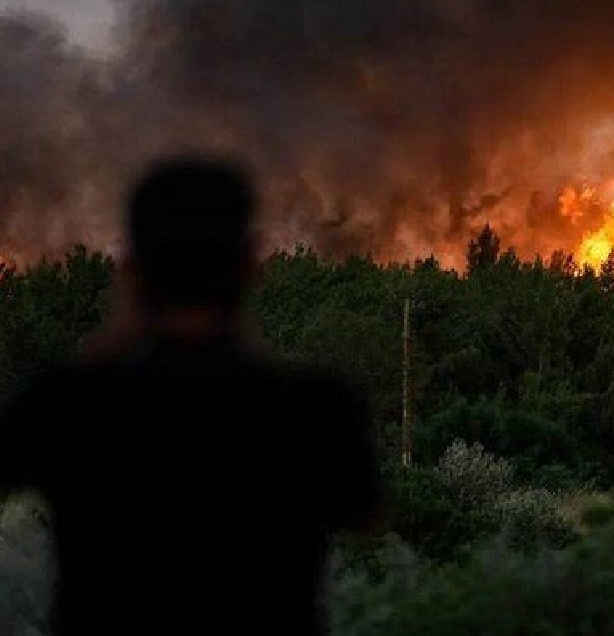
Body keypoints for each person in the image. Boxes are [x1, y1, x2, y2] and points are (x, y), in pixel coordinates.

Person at [0, 157, 379, 636]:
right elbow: (365, 512)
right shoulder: (315, 408)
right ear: (251, 266)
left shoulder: (65, 403)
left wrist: (111, 337)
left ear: (132, 271)